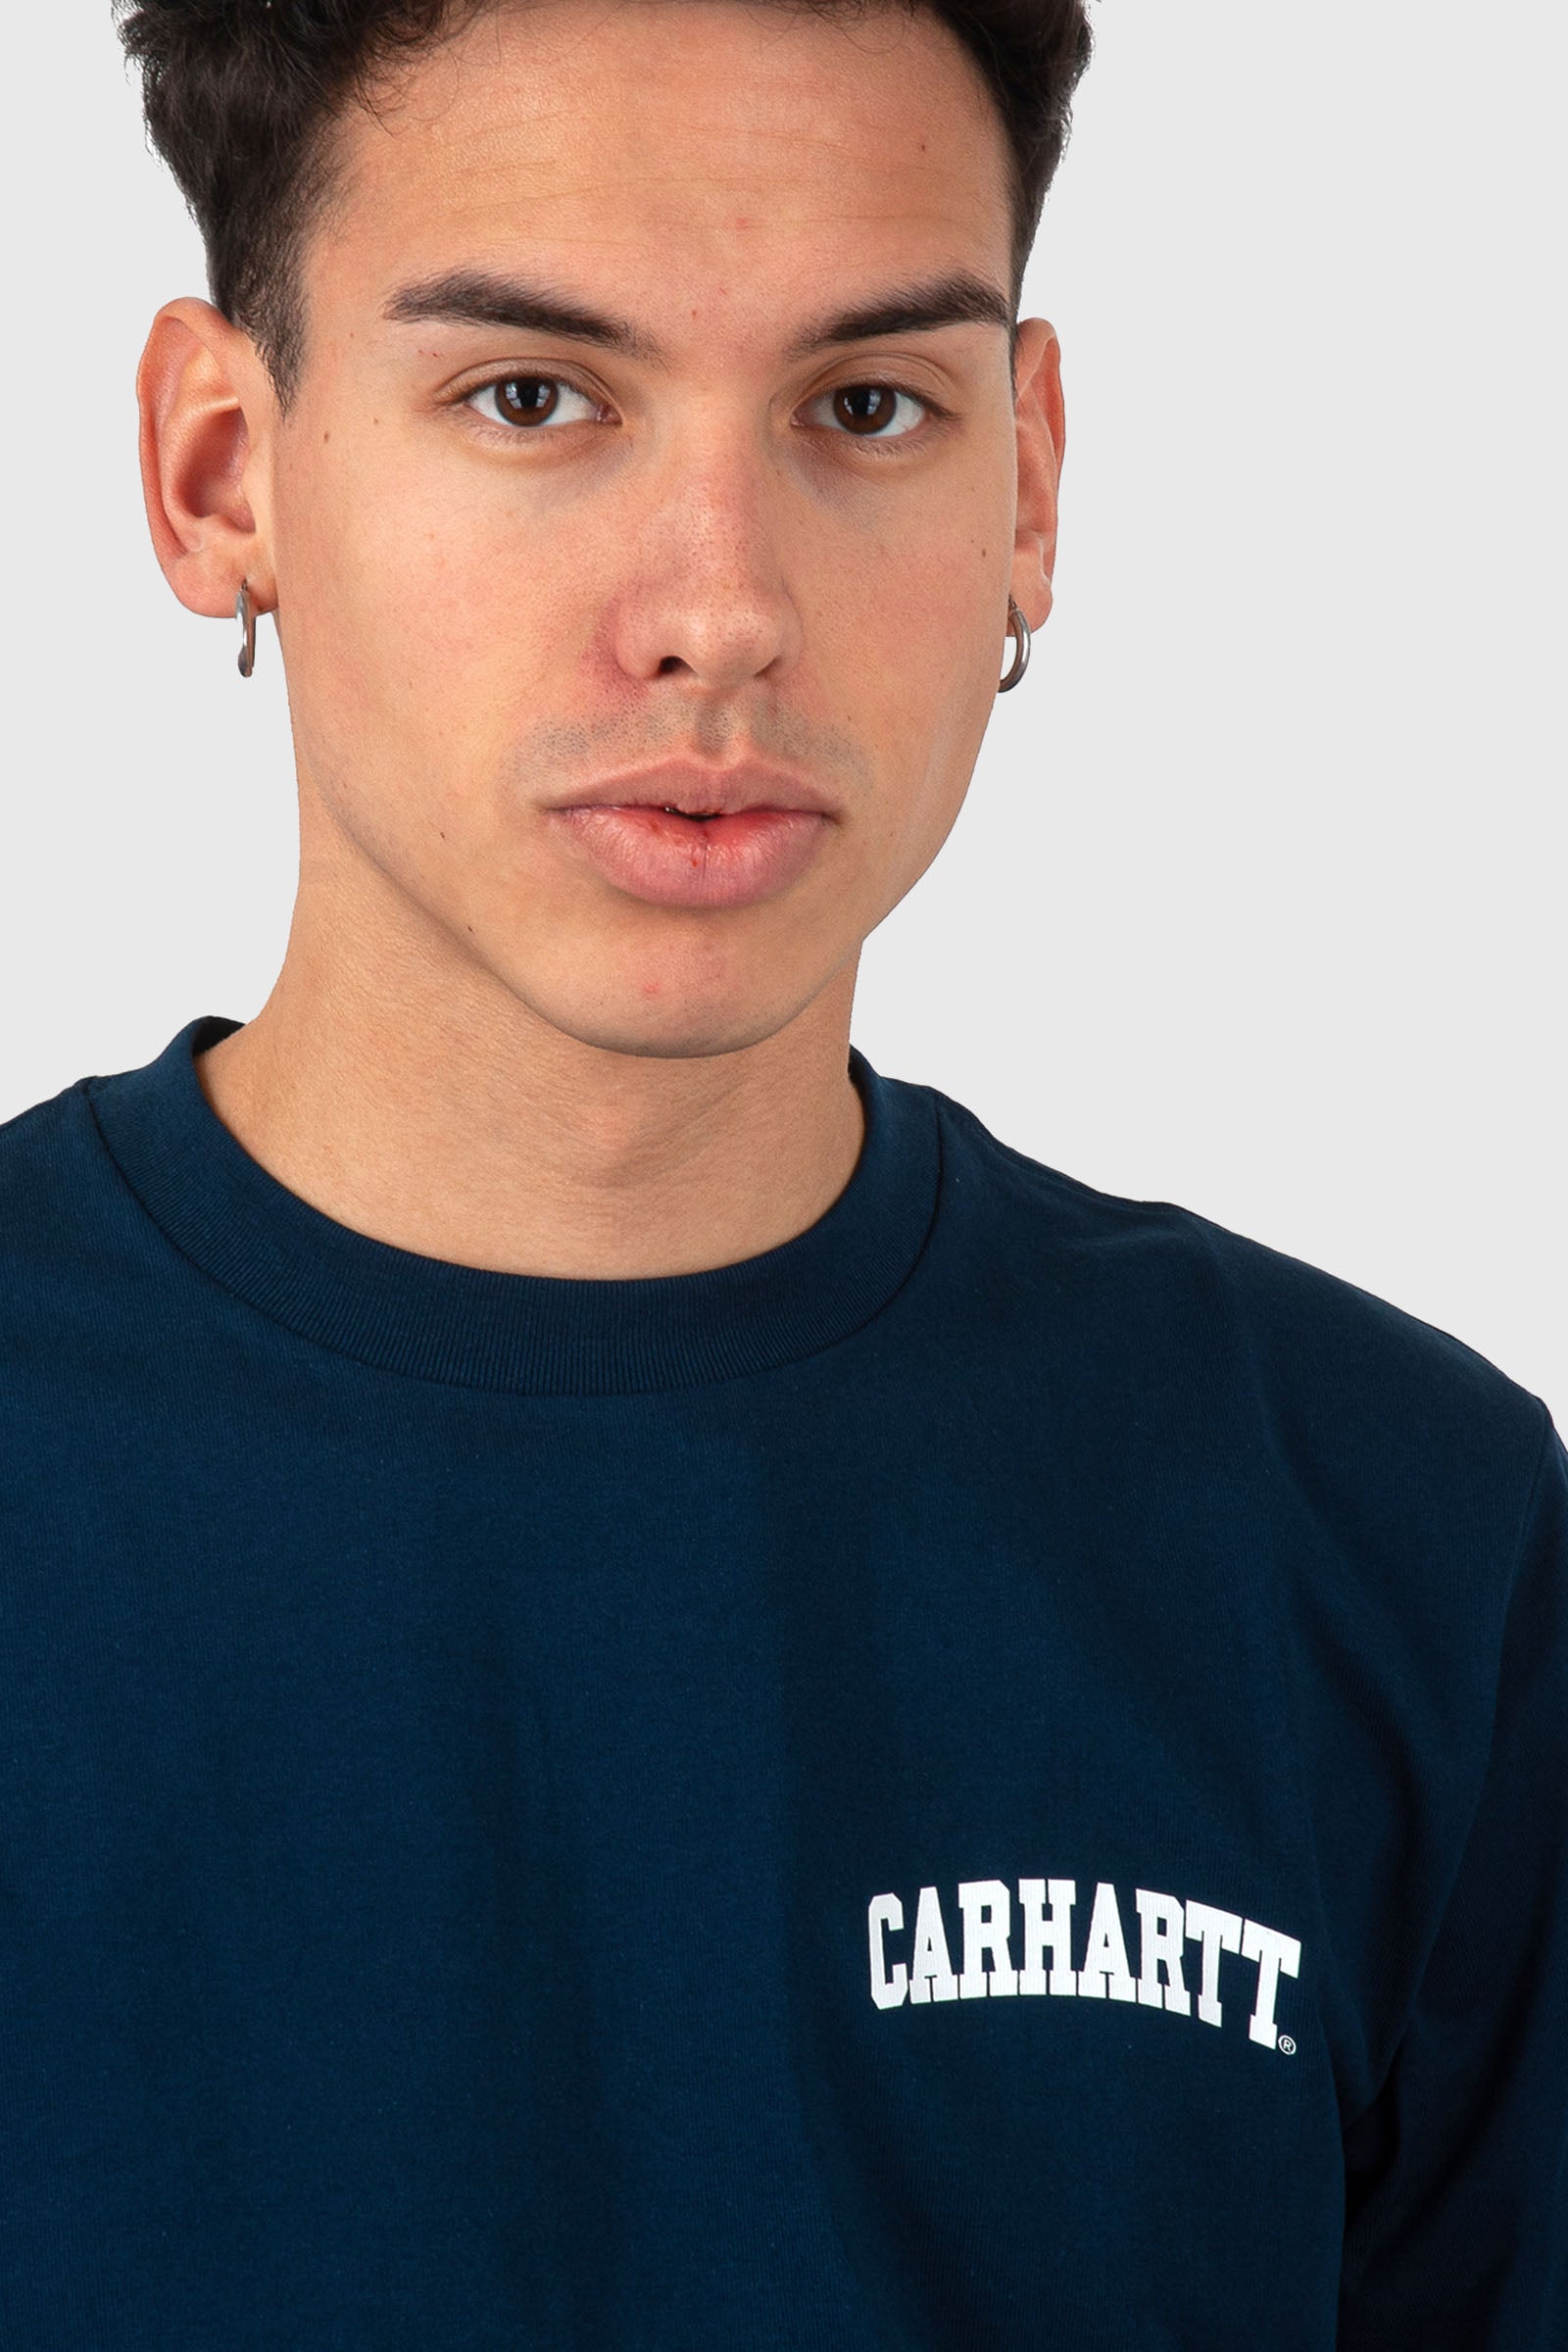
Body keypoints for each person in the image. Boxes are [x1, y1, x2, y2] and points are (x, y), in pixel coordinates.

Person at [0, 0, 1562, 2341]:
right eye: (532, 398)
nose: (719, 608)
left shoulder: (1395, 1535)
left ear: (1024, 485)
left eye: (864, 408)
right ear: (220, 471)